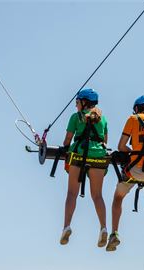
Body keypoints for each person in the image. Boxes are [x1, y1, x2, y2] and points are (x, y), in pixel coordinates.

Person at [106, 95, 144, 252]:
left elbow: (121, 146)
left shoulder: (133, 119)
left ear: (137, 108)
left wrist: (134, 152)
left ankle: (114, 234)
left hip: (135, 170)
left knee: (118, 197)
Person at [60, 88, 109, 247]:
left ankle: (66, 226)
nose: (76, 106)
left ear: (83, 102)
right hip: (99, 158)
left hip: (80, 155)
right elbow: (105, 141)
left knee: (72, 193)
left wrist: (66, 146)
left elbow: (67, 141)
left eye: (77, 103)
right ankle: (103, 227)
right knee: (97, 196)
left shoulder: (76, 117)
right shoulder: (103, 119)